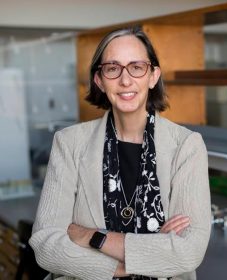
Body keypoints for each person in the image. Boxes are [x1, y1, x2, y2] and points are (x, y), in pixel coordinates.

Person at [29, 26, 211, 280]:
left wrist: (93, 237)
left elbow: (189, 251)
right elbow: (45, 245)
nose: (126, 80)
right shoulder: (69, 143)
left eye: (137, 67)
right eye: (113, 69)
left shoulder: (186, 146)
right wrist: (126, 265)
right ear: (99, 80)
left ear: (153, 76)